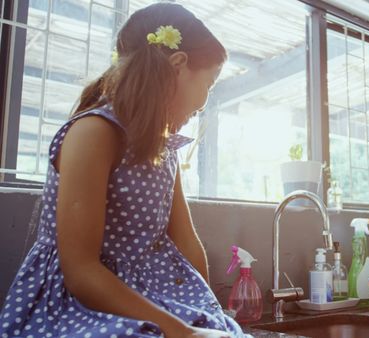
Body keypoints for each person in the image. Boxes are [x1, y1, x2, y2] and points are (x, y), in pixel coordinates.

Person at [0, 3, 247, 338]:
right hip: (79, 305)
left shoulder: (163, 148)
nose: (206, 100)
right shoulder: (94, 133)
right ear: (178, 65)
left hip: (155, 300)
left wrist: (210, 314)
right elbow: (81, 272)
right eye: (211, 83)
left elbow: (186, 241)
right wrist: (184, 333)